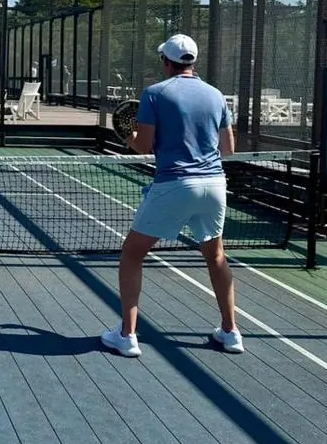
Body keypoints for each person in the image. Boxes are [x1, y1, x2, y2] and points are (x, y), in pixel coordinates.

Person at [101, 33, 243, 358]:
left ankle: (127, 335)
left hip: (175, 183)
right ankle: (231, 331)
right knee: (216, 256)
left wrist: (128, 136)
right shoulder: (216, 95)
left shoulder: (154, 93)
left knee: (132, 255)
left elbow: (144, 145)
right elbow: (229, 149)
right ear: (193, 62)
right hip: (214, 184)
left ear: (166, 62)